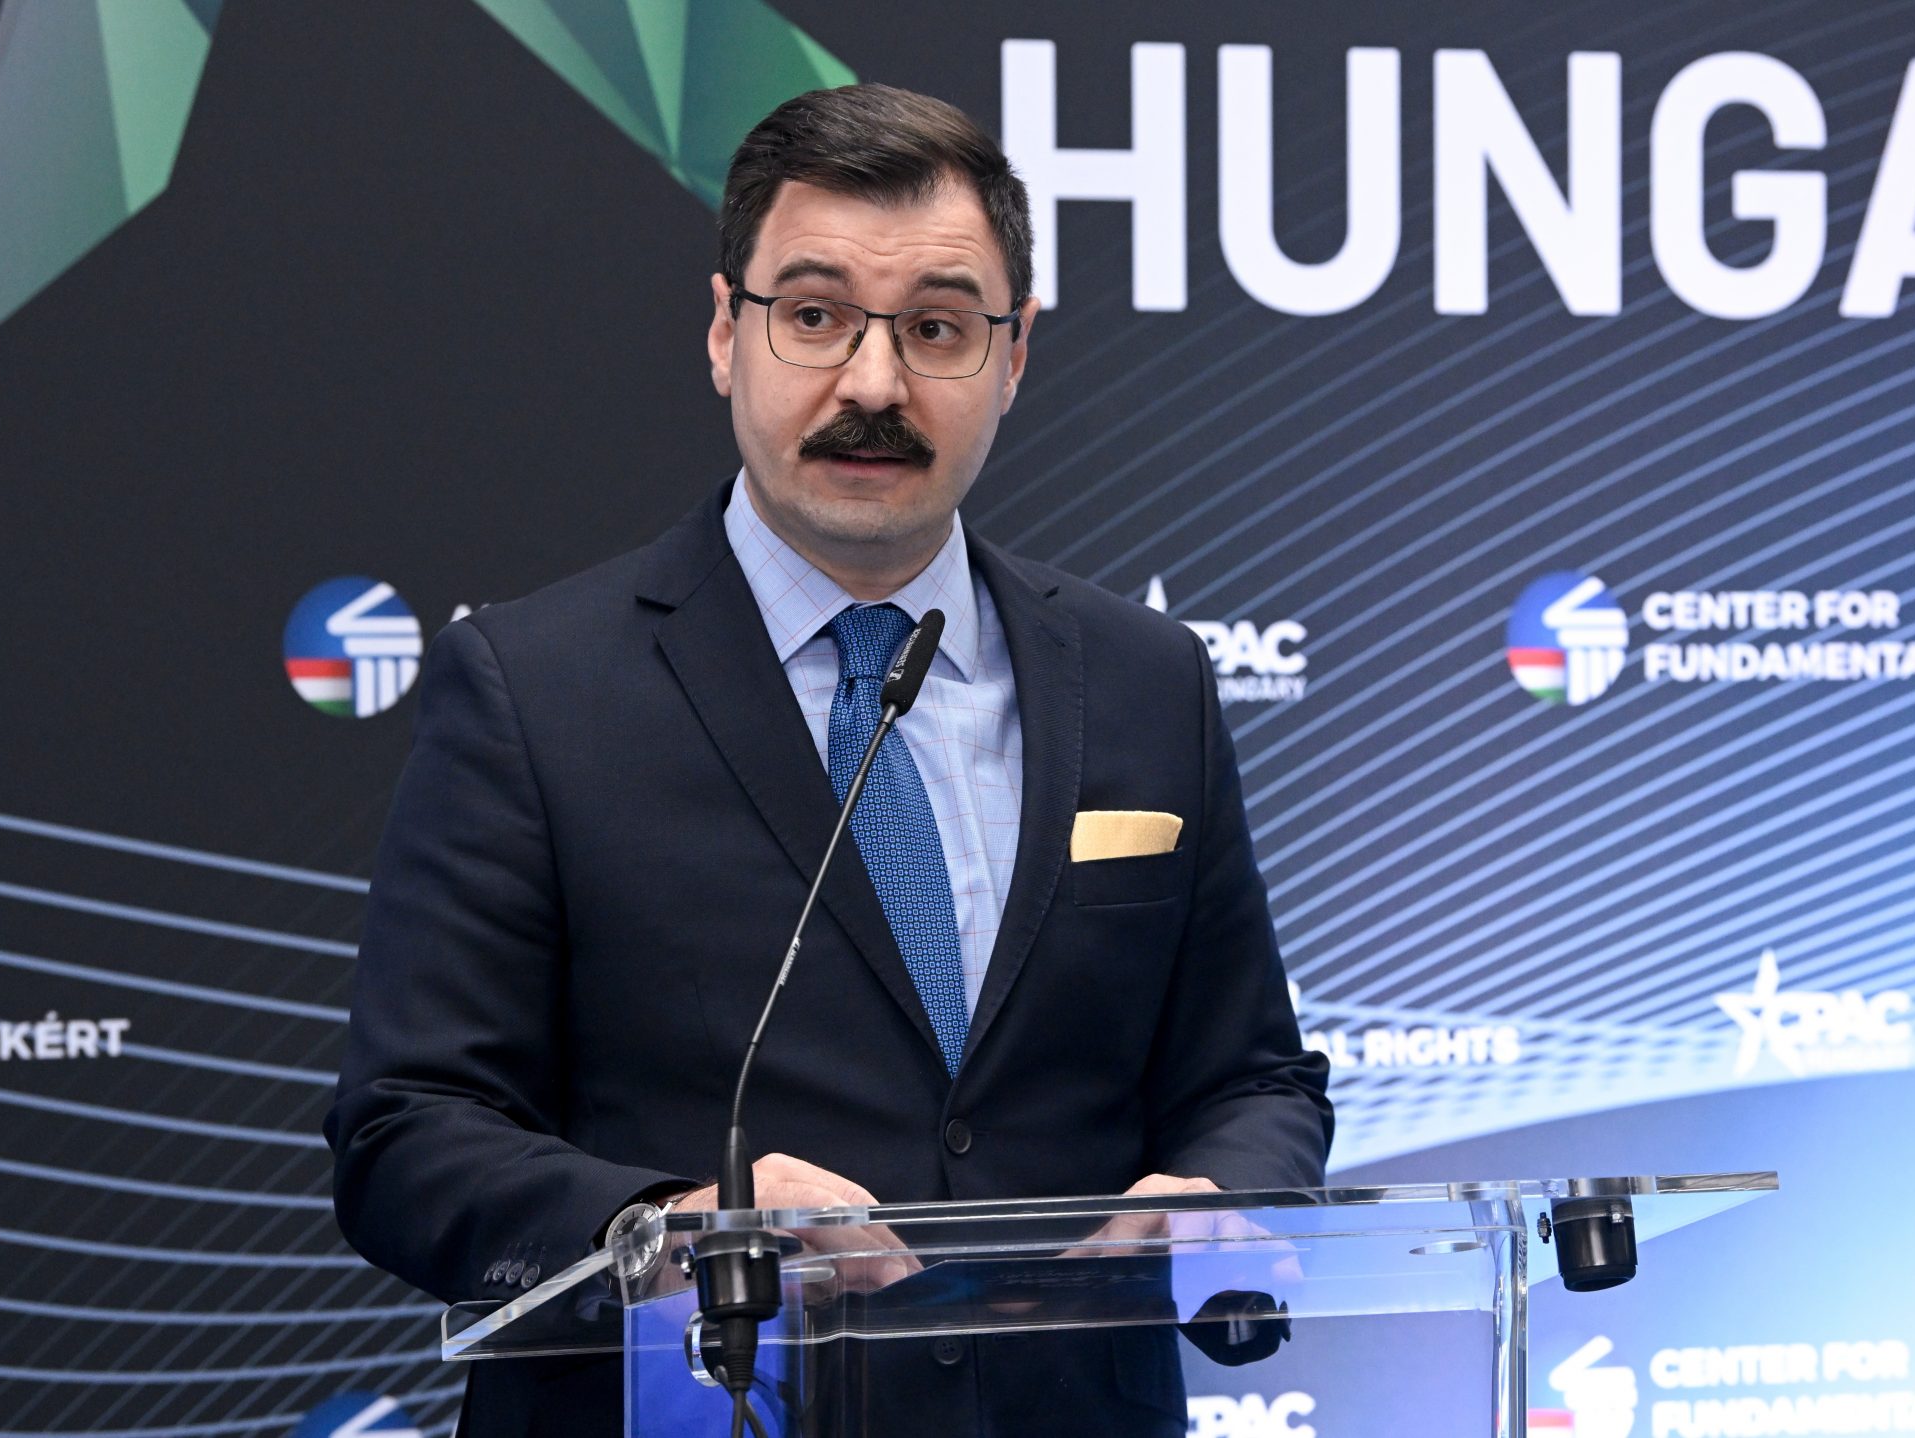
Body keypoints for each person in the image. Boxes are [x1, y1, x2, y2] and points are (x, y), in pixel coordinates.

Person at [324, 83, 1333, 1437]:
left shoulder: (1145, 678)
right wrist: (674, 1229)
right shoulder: (533, 689)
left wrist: (1220, 1199)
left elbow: (1251, 1077)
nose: (872, 385)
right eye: (814, 317)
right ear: (724, 332)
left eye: (936, 328)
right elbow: (408, 1132)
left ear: (1015, 356)